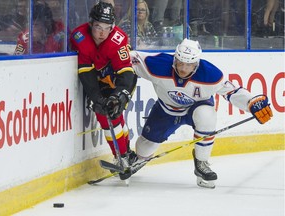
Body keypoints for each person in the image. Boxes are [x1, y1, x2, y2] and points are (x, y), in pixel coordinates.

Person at [129, 38, 273, 188]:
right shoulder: (157, 64)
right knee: (144, 148)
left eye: (189, 64)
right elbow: (130, 57)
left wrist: (251, 102)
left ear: (196, 64)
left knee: (206, 115)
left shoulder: (210, 74)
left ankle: (201, 162)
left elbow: (232, 91)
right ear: (174, 59)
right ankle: (139, 160)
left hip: (196, 107)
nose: (183, 69)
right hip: (166, 110)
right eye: (180, 63)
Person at [70, 2, 137, 180]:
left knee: (113, 113)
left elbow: (126, 73)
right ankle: (125, 154)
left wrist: (119, 96)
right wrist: (96, 97)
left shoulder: (118, 40)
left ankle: (122, 156)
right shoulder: (79, 36)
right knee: (108, 115)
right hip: (99, 79)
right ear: (91, 24)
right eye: (98, 27)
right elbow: (85, 71)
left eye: (107, 28)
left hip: (119, 80)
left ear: (112, 28)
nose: (101, 33)